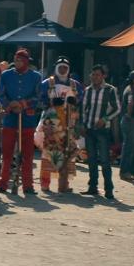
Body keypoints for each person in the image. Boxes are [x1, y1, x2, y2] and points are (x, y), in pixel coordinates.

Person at [0, 49, 42, 195]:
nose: (17, 63)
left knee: (27, 155)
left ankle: (28, 185)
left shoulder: (36, 76)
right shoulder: (6, 75)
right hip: (10, 118)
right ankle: (3, 183)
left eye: (20, 60)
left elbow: (38, 96)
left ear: (27, 61)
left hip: (27, 119)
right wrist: (11, 104)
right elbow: (0, 94)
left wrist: (23, 103)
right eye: (16, 60)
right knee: (7, 153)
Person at [38, 58, 83, 193]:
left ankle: (64, 183)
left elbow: (81, 100)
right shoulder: (47, 83)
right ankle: (45, 183)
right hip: (52, 125)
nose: (63, 70)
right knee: (48, 153)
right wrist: (51, 102)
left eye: (65, 67)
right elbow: (40, 100)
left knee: (68, 153)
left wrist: (75, 101)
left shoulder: (75, 85)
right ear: (56, 68)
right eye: (60, 67)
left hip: (69, 123)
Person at [81, 64, 121, 199]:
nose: (95, 77)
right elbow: (84, 109)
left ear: (104, 76)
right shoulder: (88, 90)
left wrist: (105, 119)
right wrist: (83, 125)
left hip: (103, 129)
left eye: (98, 75)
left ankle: (108, 189)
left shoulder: (110, 90)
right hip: (89, 129)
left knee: (104, 160)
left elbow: (117, 108)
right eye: (93, 74)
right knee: (91, 159)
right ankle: (92, 187)